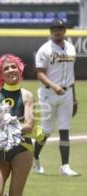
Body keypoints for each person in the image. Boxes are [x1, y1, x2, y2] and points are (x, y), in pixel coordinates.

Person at [0, 54, 35, 196]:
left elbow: (29, 126)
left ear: (19, 70)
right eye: (6, 68)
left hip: (22, 149)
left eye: (14, 67)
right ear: (1, 75)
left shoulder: (27, 95)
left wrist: (7, 126)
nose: (11, 70)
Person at [32, 19, 79, 176]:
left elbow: (71, 75)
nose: (57, 31)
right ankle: (35, 158)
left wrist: (74, 97)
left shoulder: (71, 48)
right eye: (54, 29)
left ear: (65, 30)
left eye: (60, 28)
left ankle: (65, 166)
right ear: (50, 31)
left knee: (65, 129)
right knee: (46, 131)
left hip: (67, 94)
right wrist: (53, 86)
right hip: (47, 94)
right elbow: (39, 73)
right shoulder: (44, 49)